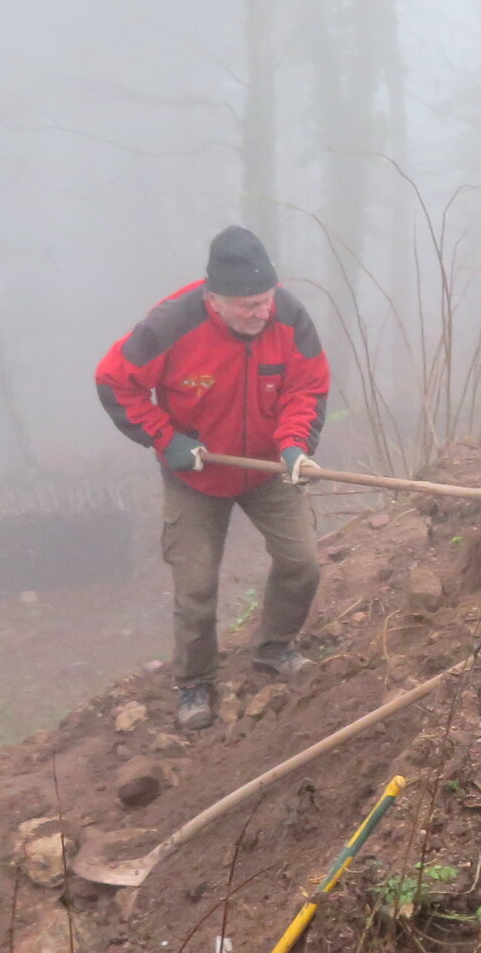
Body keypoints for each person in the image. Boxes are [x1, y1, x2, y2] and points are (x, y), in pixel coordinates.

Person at [94, 225, 332, 732]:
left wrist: (294, 444)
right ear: (214, 300)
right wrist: (165, 439)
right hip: (196, 475)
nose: (262, 312)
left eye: (266, 300)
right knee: (196, 586)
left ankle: (274, 647)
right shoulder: (170, 325)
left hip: (268, 468)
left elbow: (307, 387)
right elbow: (115, 381)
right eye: (249, 305)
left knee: (302, 563)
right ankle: (195, 682)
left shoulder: (289, 318)